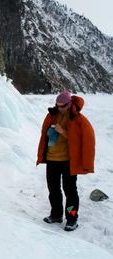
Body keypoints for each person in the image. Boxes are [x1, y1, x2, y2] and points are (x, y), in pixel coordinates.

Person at [36, 90, 95, 231]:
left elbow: (82, 141)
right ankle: (56, 214)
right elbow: (44, 135)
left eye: (62, 106)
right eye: (57, 105)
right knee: (53, 189)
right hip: (52, 159)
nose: (59, 108)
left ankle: (72, 219)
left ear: (69, 104)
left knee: (70, 192)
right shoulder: (52, 115)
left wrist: (63, 132)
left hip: (68, 161)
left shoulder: (78, 119)